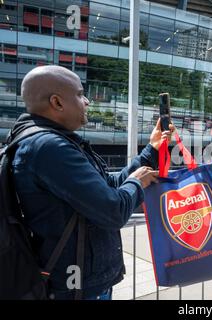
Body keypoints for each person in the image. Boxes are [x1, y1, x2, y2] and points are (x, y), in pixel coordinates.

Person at [8, 65, 172, 300]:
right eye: (79, 94)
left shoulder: (53, 142)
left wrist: (152, 149)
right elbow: (113, 211)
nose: (86, 101)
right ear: (57, 102)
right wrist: (136, 183)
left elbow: (107, 185)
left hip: (83, 285)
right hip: (76, 290)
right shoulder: (49, 148)